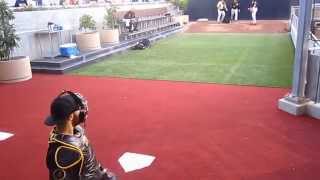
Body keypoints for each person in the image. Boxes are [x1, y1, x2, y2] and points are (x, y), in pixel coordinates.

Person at [45, 91, 117, 180]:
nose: (83, 112)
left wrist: (100, 173)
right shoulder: (65, 151)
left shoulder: (75, 131)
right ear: (71, 116)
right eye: (79, 109)